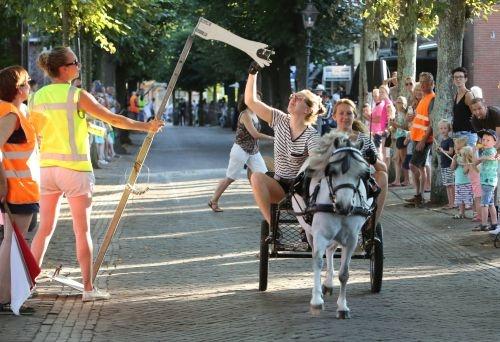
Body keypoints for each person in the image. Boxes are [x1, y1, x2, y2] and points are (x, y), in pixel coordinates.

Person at [29, 46, 164, 302]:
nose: (79, 66)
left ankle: (30, 283)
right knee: (82, 231)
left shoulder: (36, 97)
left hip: (47, 170)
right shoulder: (76, 95)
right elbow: (114, 119)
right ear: (64, 68)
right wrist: (147, 126)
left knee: (44, 229)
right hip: (75, 170)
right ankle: (88, 288)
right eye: (75, 62)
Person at [245, 62, 322, 224]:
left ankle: (308, 226)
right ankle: (272, 227)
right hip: (280, 186)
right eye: (292, 95)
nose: (293, 98)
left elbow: (316, 162)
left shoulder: (311, 136)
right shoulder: (280, 120)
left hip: (302, 190)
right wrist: (253, 73)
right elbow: (251, 101)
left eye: (298, 98)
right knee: (257, 177)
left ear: (307, 110)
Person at [0, 66, 39, 314]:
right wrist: (3, 182)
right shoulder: (11, 114)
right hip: (17, 189)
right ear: (18, 89)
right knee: (11, 243)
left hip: (17, 187)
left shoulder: (10, 111)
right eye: (27, 82)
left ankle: (8, 296)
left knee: (9, 242)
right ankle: (6, 298)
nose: (30, 86)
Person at [208, 94, 274, 212]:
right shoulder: (245, 114)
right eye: (256, 99)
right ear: (248, 100)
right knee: (230, 178)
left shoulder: (254, 113)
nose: (258, 101)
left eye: (259, 99)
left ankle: (271, 204)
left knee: (264, 176)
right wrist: (272, 138)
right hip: (240, 150)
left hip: (253, 151)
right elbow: (255, 134)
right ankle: (213, 201)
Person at [332, 99, 388, 223]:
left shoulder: (365, 139)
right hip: (335, 184)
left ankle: (372, 223)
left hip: (362, 183)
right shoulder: (328, 140)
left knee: (382, 176)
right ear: (334, 116)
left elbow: (383, 168)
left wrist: (373, 159)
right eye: (341, 113)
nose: (345, 117)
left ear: (354, 116)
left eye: (349, 113)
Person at [405, 72, 435, 207]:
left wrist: (423, 141)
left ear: (432, 84)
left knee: (412, 165)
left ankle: (419, 196)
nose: (422, 84)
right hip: (416, 137)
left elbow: (431, 123)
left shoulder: (432, 98)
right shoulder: (423, 98)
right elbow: (421, 118)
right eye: (421, 81)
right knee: (421, 167)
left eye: (425, 82)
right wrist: (412, 118)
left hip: (424, 139)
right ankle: (418, 195)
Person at [475, 129, 499, 234]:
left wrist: (482, 158)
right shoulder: (485, 151)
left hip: (488, 181)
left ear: (494, 142)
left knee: (484, 204)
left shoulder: (492, 151)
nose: (484, 142)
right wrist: (474, 151)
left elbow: (490, 157)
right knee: (490, 203)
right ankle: (494, 223)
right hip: (486, 181)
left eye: (488, 140)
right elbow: (476, 162)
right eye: (483, 139)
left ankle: (484, 224)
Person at [451, 67, 477, 147]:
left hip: (468, 134)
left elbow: (475, 115)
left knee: (468, 159)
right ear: (453, 80)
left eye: (461, 77)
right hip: (456, 134)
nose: (458, 79)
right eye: (455, 77)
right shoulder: (456, 95)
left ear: (465, 79)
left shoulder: (468, 95)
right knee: (459, 159)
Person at [389, 96, 410, 186]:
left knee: (404, 159)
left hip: (403, 137)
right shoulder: (397, 113)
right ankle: (397, 180)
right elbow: (396, 127)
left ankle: (407, 179)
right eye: (397, 101)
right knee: (397, 159)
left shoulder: (406, 114)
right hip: (398, 137)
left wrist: (394, 124)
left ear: (404, 104)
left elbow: (405, 127)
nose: (398, 103)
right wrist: (392, 126)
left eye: (400, 102)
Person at [450, 138, 473, 219]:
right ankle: (461, 212)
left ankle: (476, 213)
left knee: (469, 199)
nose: (456, 149)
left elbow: (465, 171)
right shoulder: (456, 157)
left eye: (458, 148)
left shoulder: (466, 157)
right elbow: (452, 168)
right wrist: (454, 159)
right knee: (460, 199)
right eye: (455, 147)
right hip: (458, 182)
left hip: (467, 182)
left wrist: (463, 161)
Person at [436, 119, 455, 209]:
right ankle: (450, 202)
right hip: (443, 165)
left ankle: (453, 203)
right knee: (447, 185)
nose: (443, 130)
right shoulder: (442, 141)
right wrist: (439, 151)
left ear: (449, 129)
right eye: (441, 128)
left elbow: (451, 152)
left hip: (449, 165)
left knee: (451, 184)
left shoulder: (450, 140)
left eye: (445, 128)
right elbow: (443, 153)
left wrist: (443, 151)